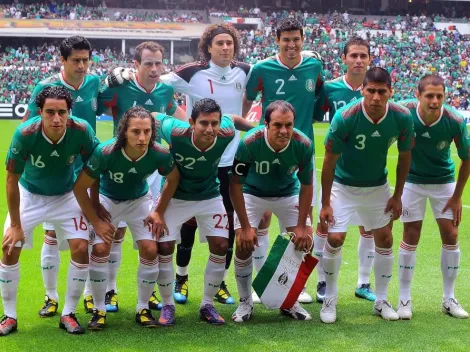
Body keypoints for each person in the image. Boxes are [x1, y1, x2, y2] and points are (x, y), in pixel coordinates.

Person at [107, 24, 251, 305]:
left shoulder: (246, 71)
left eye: (229, 43)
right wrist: (116, 75)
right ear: (208, 46)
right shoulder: (190, 73)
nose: (225, 47)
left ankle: (219, 285)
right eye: (219, 43)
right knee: (183, 226)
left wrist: (308, 56)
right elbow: (154, 78)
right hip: (184, 157)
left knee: (225, 230)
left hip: (227, 160)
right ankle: (180, 280)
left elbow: (235, 116)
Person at [0, 86, 98, 336]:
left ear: (69, 112)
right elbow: (12, 179)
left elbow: (95, 167)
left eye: (62, 112)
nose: (56, 118)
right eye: (50, 112)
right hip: (29, 194)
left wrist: (93, 208)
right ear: (39, 112)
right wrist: (15, 225)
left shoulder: (81, 131)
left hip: (66, 195)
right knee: (9, 247)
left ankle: (68, 312)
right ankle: (9, 316)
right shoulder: (25, 134)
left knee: (80, 246)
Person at [319, 67, 413, 323]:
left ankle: (381, 300)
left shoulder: (402, 117)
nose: (375, 97)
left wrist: (397, 195)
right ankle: (329, 298)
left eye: (381, 92)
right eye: (370, 91)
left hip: (377, 186)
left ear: (390, 92)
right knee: (336, 238)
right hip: (343, 185)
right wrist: (326, 202)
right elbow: (329, 161)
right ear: (363, 90)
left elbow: (405, 157)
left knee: (384, 238)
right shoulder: (345, 116)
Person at [73, 106, 180, 329]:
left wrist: (158, 210)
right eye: (135, 132)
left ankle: (142, 308)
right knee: (101, 249)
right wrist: (95, 217)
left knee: (151, 249)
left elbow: (173, 178)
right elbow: (80, 187)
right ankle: (99, 309)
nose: (142, 137)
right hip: (108, 200)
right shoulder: (106, 151)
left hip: (139, 201)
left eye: (147, 131)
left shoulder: (159, 153)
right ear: (124, 132)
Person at [149, 98, 253, 326]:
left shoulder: (225, 132)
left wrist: (258, 130)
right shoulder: (175, 132)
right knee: (164, 246)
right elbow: (155, 117)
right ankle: (168, 305)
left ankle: (207, 304)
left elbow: (233, 120)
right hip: (176, 196)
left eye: (214, 123)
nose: (210, 129)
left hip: (209, 195)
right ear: (191, 122)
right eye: (203, 123)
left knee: (221, 245)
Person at [96, 41, 184, 313]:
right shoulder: (120, 86)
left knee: (152, 238)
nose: (155, 68)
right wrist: (104, 81)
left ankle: (150, 293)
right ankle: (109, 290)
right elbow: (94, 104)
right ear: (136, 65)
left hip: (152, 170)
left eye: (159, 63)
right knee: (116, 233)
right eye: (148, 63)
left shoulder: (166, 90)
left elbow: (180, 120)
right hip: (118, 168)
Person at [242, 17, 324, 304]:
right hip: (266, 149)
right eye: (285, 39)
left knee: (300, 225)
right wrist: (250, 133)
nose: (291, 44)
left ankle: (291, 285)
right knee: (262, 218)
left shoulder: (314, 65)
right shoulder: (262, 68)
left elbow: (319, 98)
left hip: (301, 152)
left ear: (303, 39)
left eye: (296, 39)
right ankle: (261, 282)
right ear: (276, 41)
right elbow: (247, 101)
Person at [24, 36, 101, 318]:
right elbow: (29, 127)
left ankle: (92, 296)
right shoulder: (45, 88)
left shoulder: (95, 83)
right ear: (63, 61)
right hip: (57, 170)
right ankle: (51, 296)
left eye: (86, 60)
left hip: (87, 168)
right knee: (52, 233)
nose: (82, 66)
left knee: (89, 236)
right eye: (76, 60)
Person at [231, 100, 314, 323]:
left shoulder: (303, 144)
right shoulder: (249, 142)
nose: (284, 131)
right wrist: (247, 227)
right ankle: (245, 302)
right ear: (265, 124)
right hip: (252, 192)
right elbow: (235, 185)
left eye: (289, 125)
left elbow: (307, 186)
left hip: (288, 192)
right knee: (243, 243)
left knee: (303, 240)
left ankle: (288, 301)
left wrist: (302, 225)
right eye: (277, 125)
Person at [397, 75, 470, 320]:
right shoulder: (404, 111)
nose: (435, 101)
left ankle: (449, 298)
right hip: (412, 181)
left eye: (440, 96)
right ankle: (404, 297)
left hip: (443, 182)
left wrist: (458, 196)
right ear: (418, 95)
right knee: (411, 235)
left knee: (450, 234)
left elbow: (467, 158)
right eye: (429, 95)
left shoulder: (454, 120)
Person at [313, 36, 376, 303]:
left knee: (369, 229)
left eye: (363, 56)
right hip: (337, 172)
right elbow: (314, 115)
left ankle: (364, 282)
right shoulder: (330, 89)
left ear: (370, 60)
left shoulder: (376, 89)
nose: (359, 60)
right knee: (325, 225)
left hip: (369, 173)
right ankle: (320, 282)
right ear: (344, 59)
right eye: (354, 55)